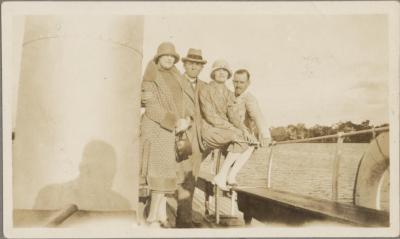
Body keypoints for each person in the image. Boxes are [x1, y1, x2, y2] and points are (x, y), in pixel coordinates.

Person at [140, 42, 191, 227]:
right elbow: (151, 108)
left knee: (165, 173)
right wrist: (175, 122)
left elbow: (182, 105)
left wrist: (185, 119)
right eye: (166, 55)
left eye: (173, 56)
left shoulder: (176, 77)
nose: (170, 58)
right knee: (158, 174)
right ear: (158, 57)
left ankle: (160, 214)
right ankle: (153, 217)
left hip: (169, 130)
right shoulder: (151, 77)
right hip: (155, 128)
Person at [199, 59, 256, 191]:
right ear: (213, 73)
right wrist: (234, 130)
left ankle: (229, 175)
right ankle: (221, 176)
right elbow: (210, 116)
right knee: (240, 137)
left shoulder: (230, 94)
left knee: (251, 143)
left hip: (226, 131)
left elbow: (234, 116)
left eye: (225, 71)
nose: (222, 73)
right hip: (210, 130)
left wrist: (245, 130)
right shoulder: (205, 90)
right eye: (218, 70)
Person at [175, 48, 208, 228]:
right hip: (178, 137)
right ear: (185, 64)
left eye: (198, 64)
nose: (194, 67)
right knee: (180, 179)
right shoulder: (175, 81)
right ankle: (182, 221)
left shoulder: (205, 86)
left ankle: (183, 220)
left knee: (190, 179)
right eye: (191, 63)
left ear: (201, 68)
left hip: (197, 140)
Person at [224, 69, 273, 185]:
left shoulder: (249, 98)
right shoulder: (229, 96)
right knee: (248, 145)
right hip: (230, 135)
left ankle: (229, 177)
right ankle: (224, 176)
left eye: (241, 82)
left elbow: (257, 116)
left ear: (248, 83)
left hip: (241, 138)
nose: (238, 85)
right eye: (236, 82)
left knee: (251, 146)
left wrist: (265, 135)